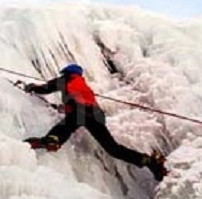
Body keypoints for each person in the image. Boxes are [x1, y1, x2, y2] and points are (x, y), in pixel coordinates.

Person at [21, 63, 168, 181]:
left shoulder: (67, 79)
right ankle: (148, 161)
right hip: (96, 115)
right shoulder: (83, 85)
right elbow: (79, 101)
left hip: (80, 112)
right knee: (112, 148)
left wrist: (31, 87)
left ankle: (52, 140)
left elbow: (46, 88)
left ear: (66, 73)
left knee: (66, 126)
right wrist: (64, 108)